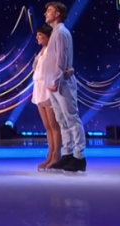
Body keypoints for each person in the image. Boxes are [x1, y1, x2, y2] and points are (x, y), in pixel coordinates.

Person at [43, 1, 87, 173]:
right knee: (61, 120)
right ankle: (67, 153)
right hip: (54, 83)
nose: (46, 13)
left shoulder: (61, 33)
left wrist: (55, 80)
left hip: (61, 83)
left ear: (58, 14)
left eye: (49, 11)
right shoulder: (55, 33)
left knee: (71, 118)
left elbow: (61, 60)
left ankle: (79, 156)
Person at [32, 24, 76, 170]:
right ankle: (50, 155)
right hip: (38, 87)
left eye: (40, 35)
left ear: (48, 36)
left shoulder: (52, 50)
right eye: (37, 35)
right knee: (47, 126)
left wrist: (68, 70)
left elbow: (60, 64)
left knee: (53, 124)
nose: (37, 37)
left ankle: (56, 155)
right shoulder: (41, 51)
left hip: (48, 86)